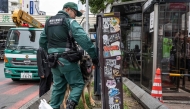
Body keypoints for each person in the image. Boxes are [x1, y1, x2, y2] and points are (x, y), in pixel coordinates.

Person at [39, 2, 98, 109]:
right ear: (68, 10)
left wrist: (51, 52)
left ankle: (52, 107)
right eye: (75, 12)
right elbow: (84, 40)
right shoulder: (69, 22)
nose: (75, 15)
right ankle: (70, 105)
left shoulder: (48, 23)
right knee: (78, 84)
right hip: (67, 60)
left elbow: (42, 42)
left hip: (53, 61)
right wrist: (94, 56)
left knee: (58, 87)